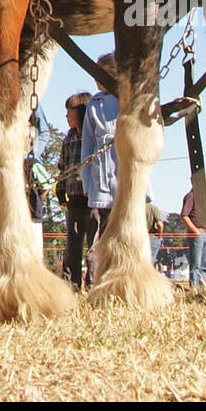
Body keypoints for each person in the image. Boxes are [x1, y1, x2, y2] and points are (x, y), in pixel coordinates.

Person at [79, 55, 119, 286]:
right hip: (101, 173)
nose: (97, 79)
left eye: (101, 73)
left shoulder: (127, 98)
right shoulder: (95, 104)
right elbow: (87, 144)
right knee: (103, 227)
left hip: (122, 170)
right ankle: (99, 276)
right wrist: (87, 180)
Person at [54, 93, 89, 289]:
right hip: (74, 196)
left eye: (70, 112)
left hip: (92, 196)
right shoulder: (67, 140)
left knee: (94, 244)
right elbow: (62, 167)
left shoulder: (92, 138)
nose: (66, 116)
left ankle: (93, 281)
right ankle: (70, 284)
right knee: (73, 243)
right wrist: (60, 189)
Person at [180, 184, 206, 288]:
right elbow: (184, 215)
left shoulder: (203, 197)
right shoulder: (190, 196)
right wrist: (195, 231)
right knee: (196, 264)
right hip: (198, 233)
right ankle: (195, 288)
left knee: (203, 264)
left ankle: (203, 288)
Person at [146, 197, 165, 266]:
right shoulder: (153, 208)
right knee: (150, 261)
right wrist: (159, 237)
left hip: (138, 238)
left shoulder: (135, 209)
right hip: (152, 237)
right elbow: (160, 224)